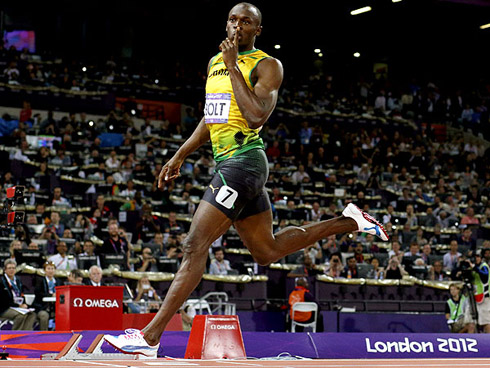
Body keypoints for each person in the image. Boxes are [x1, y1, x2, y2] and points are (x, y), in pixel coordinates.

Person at [104, 2, 388, 357]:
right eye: (233, 19)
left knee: (194, 245)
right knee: (266, 251)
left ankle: (149, 337)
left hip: (245, 163)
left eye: (246, 21)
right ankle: (350, 221)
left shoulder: (267, 65)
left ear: (257, 30)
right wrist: (181, 154)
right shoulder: (213, 62)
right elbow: (212, 118)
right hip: (229, 162)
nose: (238, 25)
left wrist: (234, 64)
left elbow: (255, 116)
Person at [0, 259, 37, 330]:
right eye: (9, 268)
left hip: (18, 306)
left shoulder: (17, 280)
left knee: (32, 314)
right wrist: (18, 306)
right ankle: (15, 336)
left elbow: (21, 294)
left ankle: (25, 335)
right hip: (5, 308)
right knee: (20, 316)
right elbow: (3, 301)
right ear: (5, 270)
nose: (12, 270)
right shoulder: (1, 282)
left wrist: (24, 304)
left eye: (13, 268)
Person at [463, 252, 490, 333]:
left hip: (484, 297)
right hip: (473, 296)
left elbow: (485, 275)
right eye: (474, 257)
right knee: (470, 322)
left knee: (486, 321)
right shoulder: (471, 268)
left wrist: (474, 267)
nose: (476, 259)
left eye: (478, 257)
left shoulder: (483, 266)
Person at [32, 261, 60, 330]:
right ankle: (44, 335)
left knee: (63, 315)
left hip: (55, 307)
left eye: (52, 269)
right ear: (44, 270)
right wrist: (51, 295)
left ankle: (59, 334)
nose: (50, 271)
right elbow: (38, 293)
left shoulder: (58, 281)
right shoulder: (40, 281)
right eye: (48, 269)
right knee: (44, 316)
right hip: (41, 307)